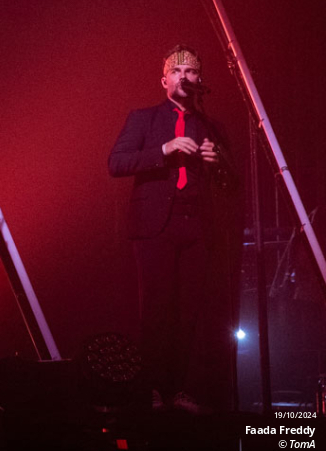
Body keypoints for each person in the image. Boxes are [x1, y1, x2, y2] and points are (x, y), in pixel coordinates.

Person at [108, 45, 233, 413]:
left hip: (195, 225)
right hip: (154, 226)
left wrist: (219, 163)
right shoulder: (143, 119)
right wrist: (164, 148)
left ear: (199, 81)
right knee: (156, 311)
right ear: (164, 80)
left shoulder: (211, 126)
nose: (183, 76)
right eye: (175, 71)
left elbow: (232, 183)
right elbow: (116, 163)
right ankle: (149, 389)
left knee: (188, 312)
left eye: (190, 72)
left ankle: (178, 388)